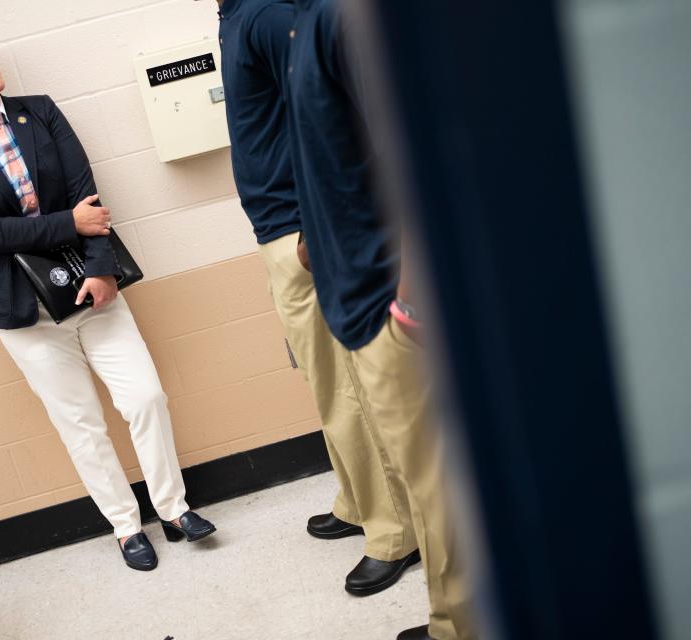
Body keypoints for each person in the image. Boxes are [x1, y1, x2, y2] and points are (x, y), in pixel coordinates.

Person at [0, 10, 215, 572]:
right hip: (23, 313)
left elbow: (87, 197)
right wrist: (68, 223)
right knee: (81, 426)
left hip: (92, 285)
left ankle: (174, 510)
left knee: (144, 397)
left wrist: (101, 269)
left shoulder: (41, 112)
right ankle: (126, 527)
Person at [210, 0, 420, 597]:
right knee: (325, 382)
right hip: (280, 232)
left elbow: (334, 111)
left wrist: (314, 226)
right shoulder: (236, 19)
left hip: (299, 233)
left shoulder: (267, 16)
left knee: (347, 387)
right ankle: (358, 502)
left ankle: (393, 533)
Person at [286, 0, 479, 638]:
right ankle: (452, 618)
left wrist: (413, 305)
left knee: (447, 497)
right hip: (360, 298)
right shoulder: (309, 17)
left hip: (389, 309)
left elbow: (424, 157)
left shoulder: (352, 16)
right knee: (433, 497)